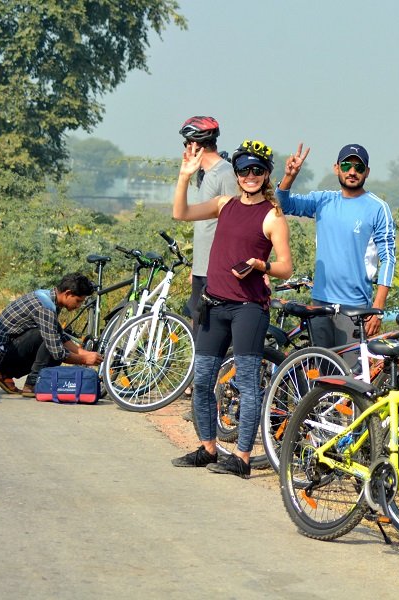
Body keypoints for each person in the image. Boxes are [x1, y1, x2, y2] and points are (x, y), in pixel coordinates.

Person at [171, 139, 293, 478]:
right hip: (214, 304)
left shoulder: (273, 216)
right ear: (236, 174)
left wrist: (260, 265)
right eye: (243, 170)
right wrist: (185, 176)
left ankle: (241, 457)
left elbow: (286, 267)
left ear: (266, 174)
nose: (250, 176)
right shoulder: (224, 204)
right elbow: (181, 213)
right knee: (202, 379)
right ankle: (208, 448)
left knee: (248, 385)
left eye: (257, 170)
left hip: (248, 309)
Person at [276, 143, 395, 347]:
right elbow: (283, 205)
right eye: (347, 165)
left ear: (367, 172)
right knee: (321, 365)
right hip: (320, 304)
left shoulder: (378, 208)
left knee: (351, 367)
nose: (352, 172)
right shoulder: (323, 200)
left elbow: (388, 259)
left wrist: (378, 309)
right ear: (336, 168)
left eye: (359, 167)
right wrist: (290, 176)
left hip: (355, 308)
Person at [0, 273, 103, 396]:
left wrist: (85, 353)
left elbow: (60, 334)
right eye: (78, 301)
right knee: (50, 343)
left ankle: (3, 374)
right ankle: (31, 384)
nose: (79, 305)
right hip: (0, 355)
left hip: (4, 351)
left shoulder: (48, 297)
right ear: (68, 293)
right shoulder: (45, 307)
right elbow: (57, 353)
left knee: (52, 336)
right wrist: (85, 359)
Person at [177, 116, 239, 326]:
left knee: (211, 333)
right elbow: (206, 226)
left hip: (218, 272)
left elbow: (235, 224)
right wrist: (196, 266)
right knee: (198, 329)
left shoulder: (226, 173)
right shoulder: (207, 174)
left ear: (193, 145)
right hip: (202, 270)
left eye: (186, 144)